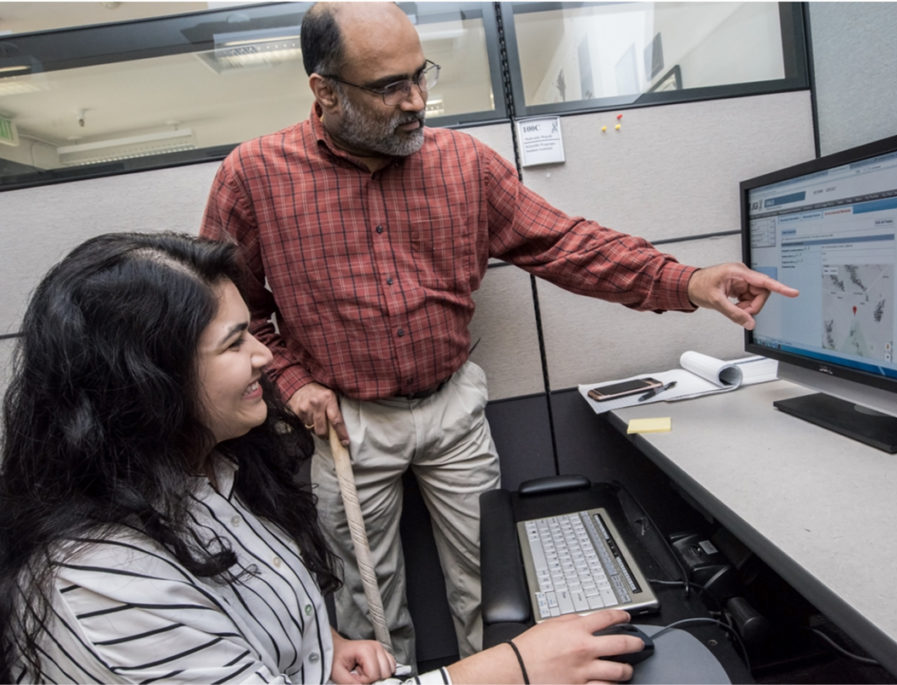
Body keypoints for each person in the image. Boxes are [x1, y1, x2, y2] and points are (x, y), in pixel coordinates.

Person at [199, 1, 799, 664]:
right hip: (345, 422)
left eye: (420, 75)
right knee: (367, 612)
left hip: (452, 408)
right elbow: (233, 315)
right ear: (324, 90)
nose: (418, 101)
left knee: (495, 587)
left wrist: (686, 280)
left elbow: (567, 244)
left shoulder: (463, 164)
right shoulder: (253, 177)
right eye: (390, 86)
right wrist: (293, 382)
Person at [0, 231, 646, 684]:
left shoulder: (206, 476)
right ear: (148, 378)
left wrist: (320, 651)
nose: (263, 356)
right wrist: (512, 671)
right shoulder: (100, 580)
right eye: (234, 343)